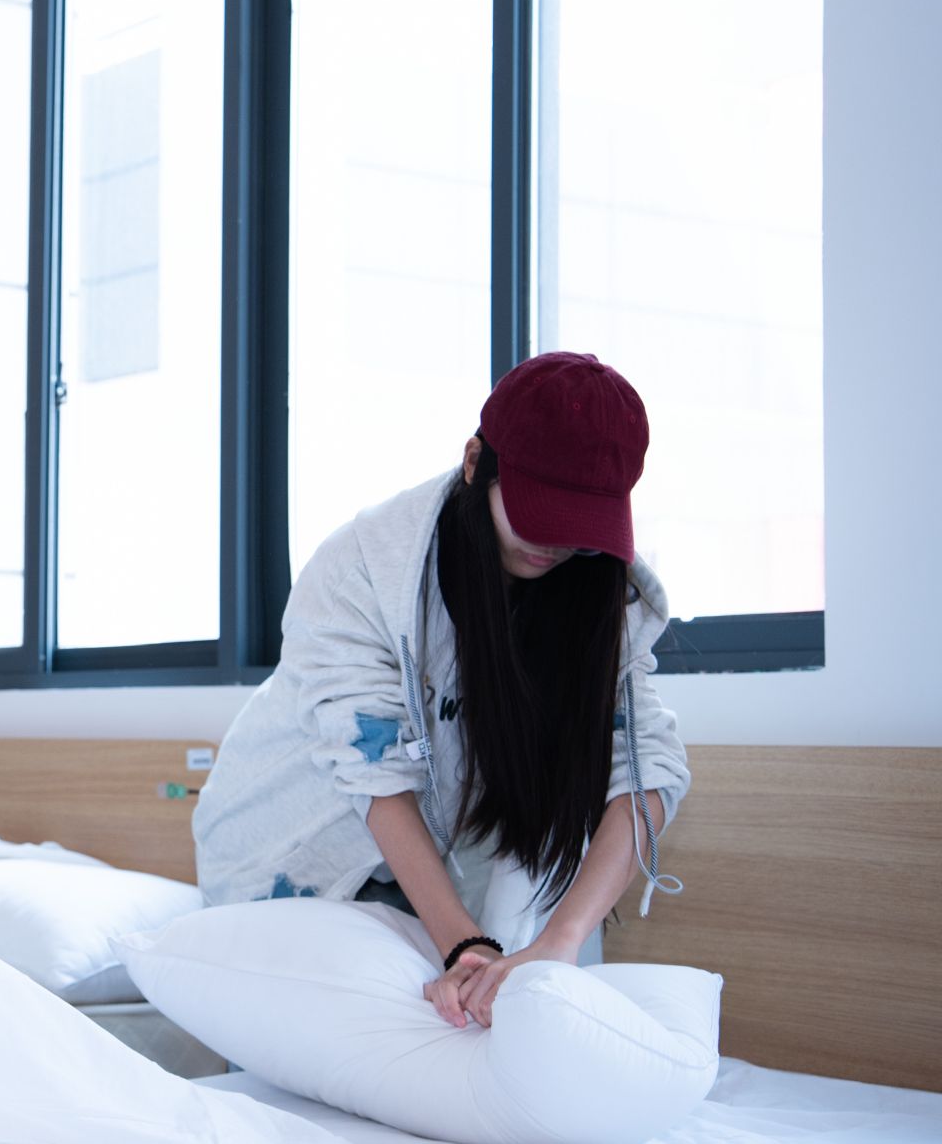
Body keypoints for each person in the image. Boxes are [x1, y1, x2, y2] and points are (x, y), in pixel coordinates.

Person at [193, 351, 690, 1031]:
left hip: (430, 870)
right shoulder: (363, 568)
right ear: (474, 461)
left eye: (579, 529)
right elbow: (371, 769)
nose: (555, 545)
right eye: (540, 513)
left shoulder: (595, 590)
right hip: (291, 857)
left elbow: (647, 769)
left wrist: (561, 939)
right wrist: (463, 943)